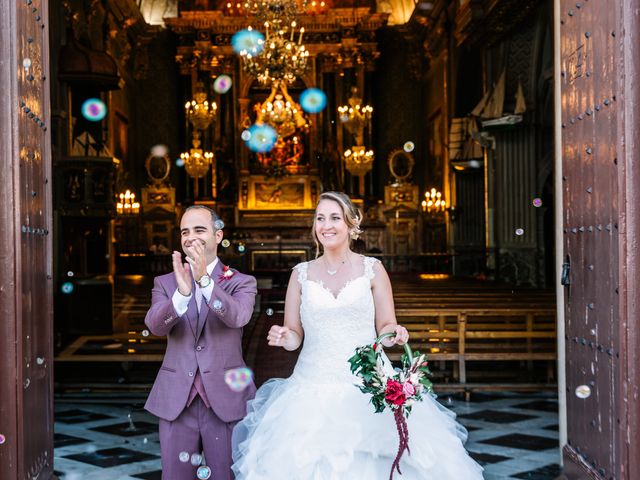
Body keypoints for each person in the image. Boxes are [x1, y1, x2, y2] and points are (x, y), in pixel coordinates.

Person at [231, 192, 483, 479]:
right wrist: (284, 336)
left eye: (335, 218)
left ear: (352, 224)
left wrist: (395, 334)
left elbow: (386, 326)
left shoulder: (373, 269)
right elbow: (295, 336)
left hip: (369, 383)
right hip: (312, 385)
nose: (326, 225)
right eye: (320, 218)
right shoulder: (300, 274)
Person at [144, 205, 257, 480]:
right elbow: (155, 326)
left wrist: (205, 282)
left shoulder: (242, 282)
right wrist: (181, 295)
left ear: (218, 236)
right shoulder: (165, 283)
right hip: (176, 399)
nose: (190, 237)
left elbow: (238, 316)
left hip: (226, 397)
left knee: (225, 475)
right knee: (175, 475)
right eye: (185, 231)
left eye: (199, 230)